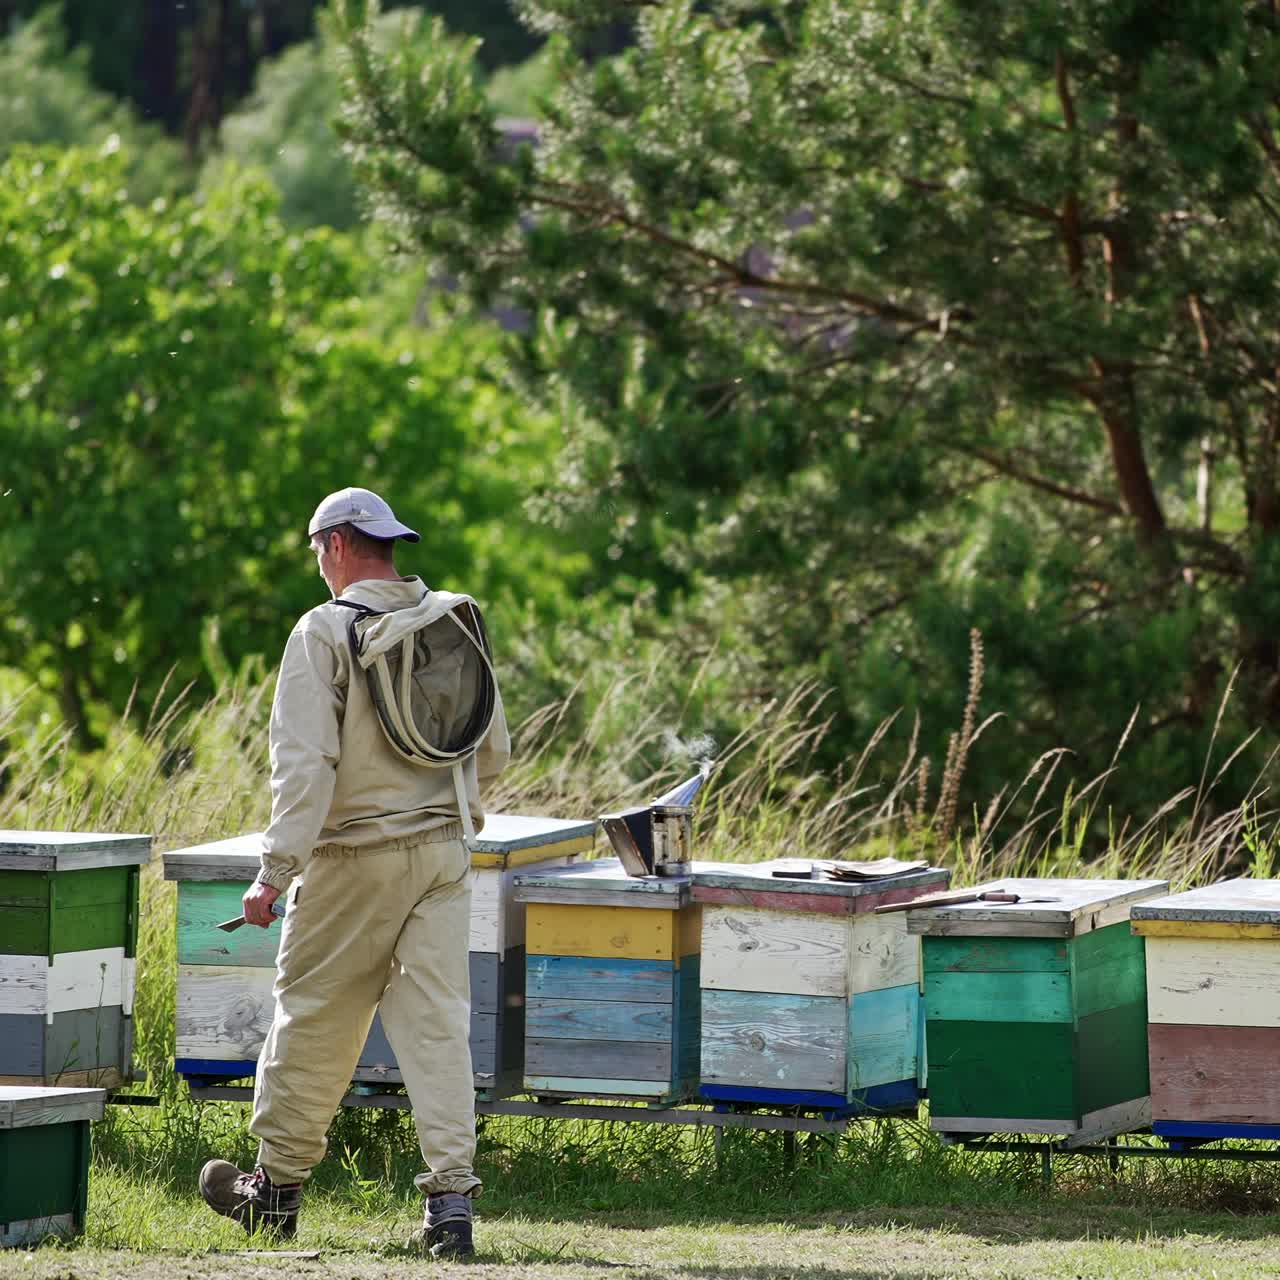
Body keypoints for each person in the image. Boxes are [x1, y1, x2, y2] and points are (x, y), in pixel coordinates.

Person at [199, 486, 510, 1257]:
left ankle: (273, 1191)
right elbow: (493, 750)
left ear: (335, 546)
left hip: (353, 859)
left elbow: (305, 769)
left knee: (315, 1018)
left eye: (316, 552)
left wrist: (272, 875)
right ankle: (451, 1211)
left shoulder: (322, 630)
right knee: (438, 1026)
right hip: (444, 853)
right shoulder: (451, 619)